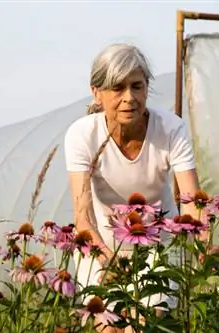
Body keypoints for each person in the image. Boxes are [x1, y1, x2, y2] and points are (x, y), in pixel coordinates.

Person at [63, 43, 204, 333]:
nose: (129, 98)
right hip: (100, 242)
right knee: (108, 328)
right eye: (118, 88)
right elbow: (82, 216)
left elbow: (191, 200)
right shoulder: (82, 134)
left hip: (159, 243)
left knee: (143, 325)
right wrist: (106, 260)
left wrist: (201, 241)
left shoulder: (171, 129)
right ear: (96, 92)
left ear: (147, 88)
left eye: (137, 86)